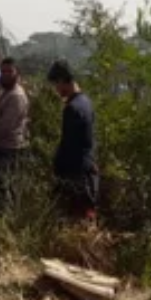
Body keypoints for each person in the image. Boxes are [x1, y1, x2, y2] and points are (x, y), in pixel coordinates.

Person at [46, 60, 98, 221]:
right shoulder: (86, 102)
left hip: (75, 176)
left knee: (72, 220)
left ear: (62, 80)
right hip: (87, 171)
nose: (56, 89)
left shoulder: (72, 108)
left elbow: (69, 146)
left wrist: (57, 168)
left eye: (56, 84)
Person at [0, 57, 29, 204]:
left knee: (4, 189)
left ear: (17, 73)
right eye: (3, 71)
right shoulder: (4, 91)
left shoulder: (16, 95)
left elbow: (5, 126)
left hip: (9, 148)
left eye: (9, 71)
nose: (5, 74)